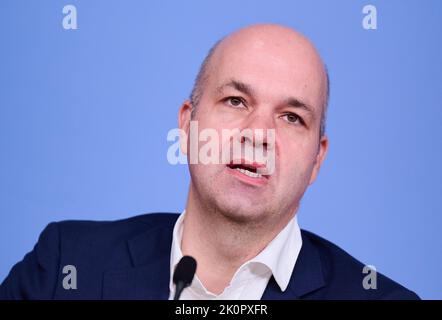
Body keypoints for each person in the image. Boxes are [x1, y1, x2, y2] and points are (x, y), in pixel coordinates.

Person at [0, 23, 419, 300]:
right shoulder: (64, 266)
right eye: (236, 101)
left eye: (292, 117)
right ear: (187, 126)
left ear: (316, 160)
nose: (258, 134)